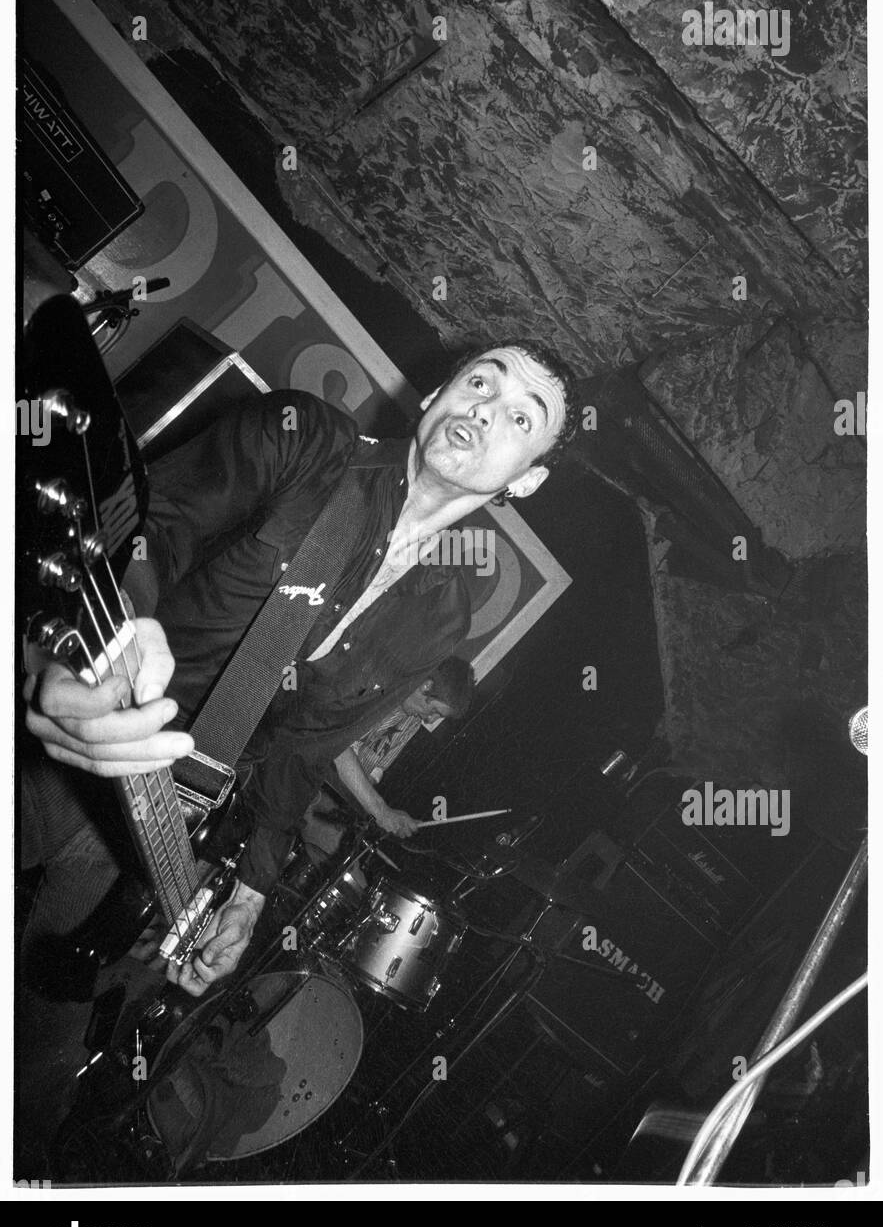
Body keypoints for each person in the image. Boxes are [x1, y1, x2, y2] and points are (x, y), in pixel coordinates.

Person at [24, 342, 579, 998]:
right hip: (64, 741)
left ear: (527, 480)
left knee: (37, 1034)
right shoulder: (306, 441)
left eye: (523, 417)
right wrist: (113, 633)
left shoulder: (441, 616)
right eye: (481, 383)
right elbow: (149, 532)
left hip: (159, 824)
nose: (487, 409)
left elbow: (306, 748)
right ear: (435, 398)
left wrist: (254, 887)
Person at [304, 656, 475, 854]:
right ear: (425, 686)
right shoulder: (375, 685)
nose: (430, 720)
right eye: (434, 710)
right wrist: (381, 811)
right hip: (302, 774)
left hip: (327, 795)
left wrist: (388, 817)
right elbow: (336, 748)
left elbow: (371, 774)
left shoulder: (410, 724)